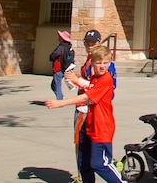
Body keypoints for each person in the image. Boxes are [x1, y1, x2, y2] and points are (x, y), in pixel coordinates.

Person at [45, 45, 120, 183]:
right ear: (92, 63)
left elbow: (87, 97)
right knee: (84, 163)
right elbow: (90, 85)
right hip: (89, 126)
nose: (102, 66)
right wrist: (76, 80)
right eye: (99, 63)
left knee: (99, 164)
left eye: (105, 63)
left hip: (102, 129)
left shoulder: (106, 79)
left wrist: (60, 103)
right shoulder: (96, 77)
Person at [65, 29, 118, 182]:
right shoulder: (89, 61)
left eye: (93, 43)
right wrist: (74, 81)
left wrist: (79, 82)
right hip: (84, 107)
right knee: (83, 149)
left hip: (93, 110)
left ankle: (109, 169)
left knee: (96, 157)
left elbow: (104, 89)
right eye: (87, 43)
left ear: (99, 43)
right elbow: (89, 84)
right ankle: (83, 175)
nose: (90, 46)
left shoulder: (105, 65)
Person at [49, 30, 75, 100]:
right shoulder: (69, 47)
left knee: (57, 84)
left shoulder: (61, 47)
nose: (58, 38)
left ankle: (60, 99)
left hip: (58, 69)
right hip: (65, 68)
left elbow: (53, 55)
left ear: (62, 39)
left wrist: (51, 57)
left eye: (60, 37)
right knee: (53, 85)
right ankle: (61, 96)